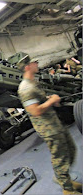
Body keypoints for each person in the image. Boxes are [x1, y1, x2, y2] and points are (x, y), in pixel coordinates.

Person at [17, 55, 82, 195]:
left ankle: (64, 179)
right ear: (28, 67)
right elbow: (35, 111)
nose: (37, 64)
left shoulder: (33, 82)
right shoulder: (25, 88)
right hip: (48, 129)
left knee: (71, 150)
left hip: (54, 123)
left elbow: (39, 100)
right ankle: (67, 189)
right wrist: (51, 101)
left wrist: (50, 99)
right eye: (34, 62)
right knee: (60, 157)